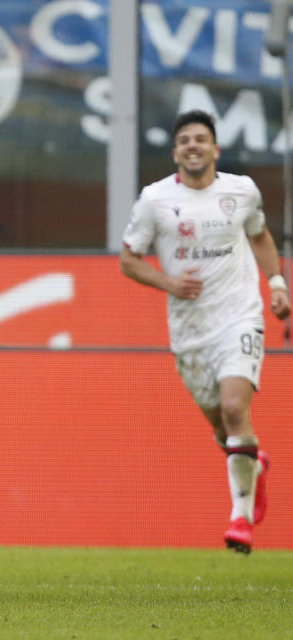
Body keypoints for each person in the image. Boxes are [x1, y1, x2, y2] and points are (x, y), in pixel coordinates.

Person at [120, 110, 289, 554]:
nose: (193, 146)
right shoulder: (154, 201)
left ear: (215, 149)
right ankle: (253, 464)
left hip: (239, 315)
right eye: (185, 141)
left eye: (201, 139)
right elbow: (128, 259)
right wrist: (169, 283)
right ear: (176, 152)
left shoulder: (241, 191)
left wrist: (276, 284)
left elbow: (261, 237)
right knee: (223, 428)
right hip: (190, 331)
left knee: (236, 408)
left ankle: (241, 519)